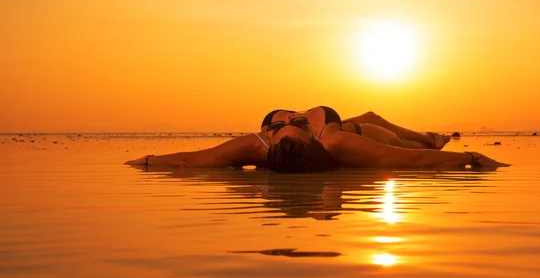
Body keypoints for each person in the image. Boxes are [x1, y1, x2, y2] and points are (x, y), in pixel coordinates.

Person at [125, 107, 509, 172]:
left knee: (373, 114)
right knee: (415, 146)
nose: (284, 121)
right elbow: (417, 164)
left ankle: (429, 135)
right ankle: (433, 136)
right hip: (371, 135)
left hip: (361, 123)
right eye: (281, 125)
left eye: (280, 127)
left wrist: (144, 160)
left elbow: (187, 159)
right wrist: (472, 159)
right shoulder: (336, 143)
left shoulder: (255, 145)